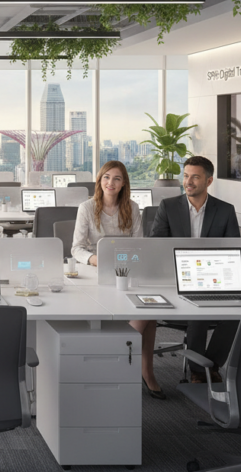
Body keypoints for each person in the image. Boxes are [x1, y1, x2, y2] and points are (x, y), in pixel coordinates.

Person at [71, 161, 163, 398]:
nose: (110, 183)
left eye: (117, 179)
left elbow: (139, 244)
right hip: (96, 271)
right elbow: (77, 248)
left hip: (128, 270)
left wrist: (130, 263)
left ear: (124, 184)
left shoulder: (131, 207)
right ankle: (127, 361)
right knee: (148, 317)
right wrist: (95, 259)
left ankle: (139, 368)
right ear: (100, 180)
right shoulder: (87, 207)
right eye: (106, 177)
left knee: (148, 310)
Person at [149, 155, 241, 384]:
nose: (188, 182)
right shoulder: (168, 206)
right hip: (177, 279)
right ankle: (199, 372)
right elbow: (156, 247)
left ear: (209, 181)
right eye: (186, 176)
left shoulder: (225, 210)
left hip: (215, 278)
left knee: (238, 314)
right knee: (199, 311)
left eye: (195, 177)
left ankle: (211, 364)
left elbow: (234, 249)